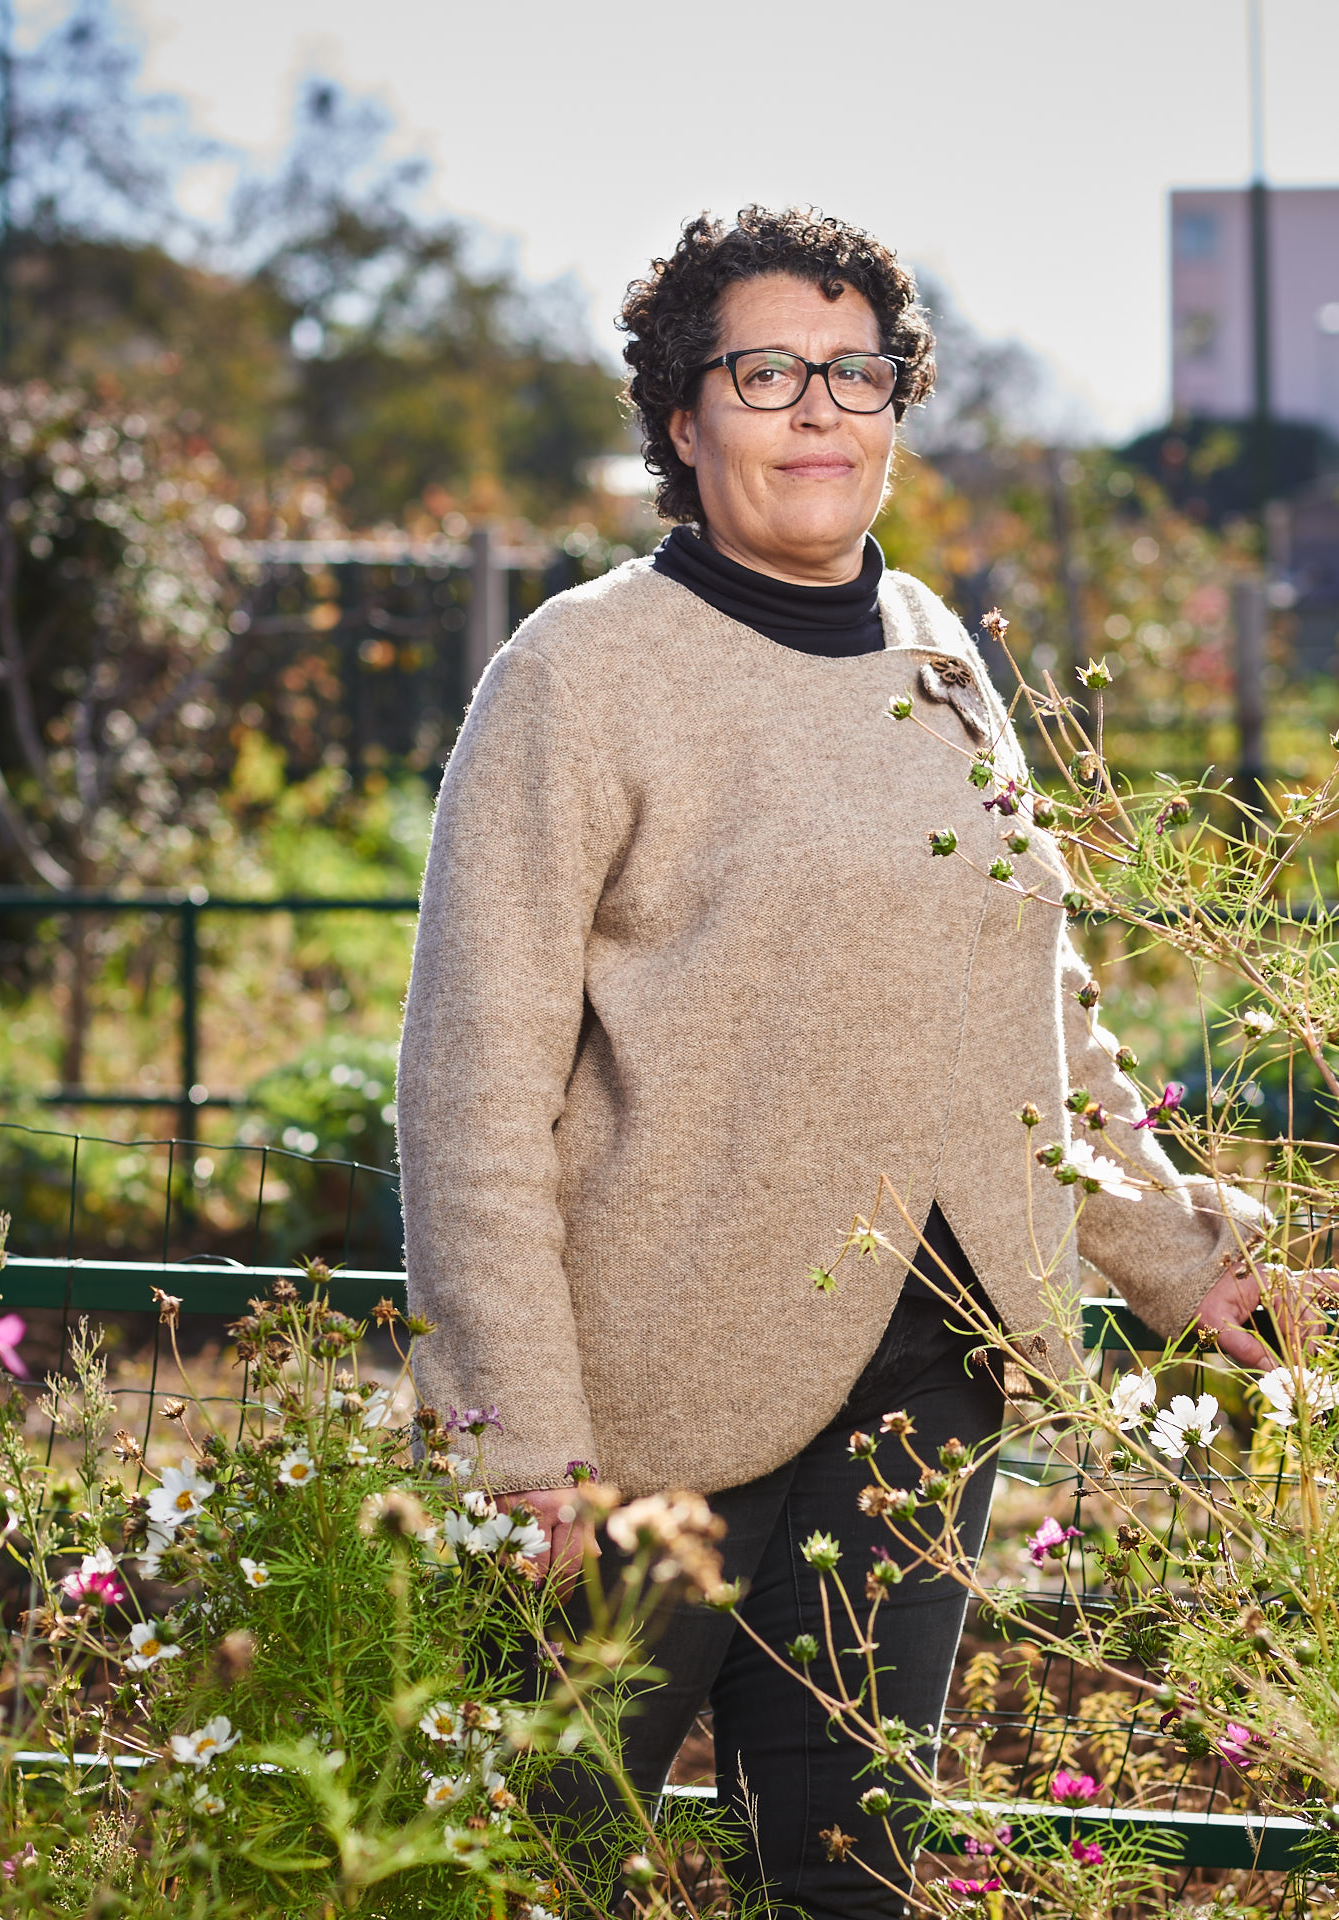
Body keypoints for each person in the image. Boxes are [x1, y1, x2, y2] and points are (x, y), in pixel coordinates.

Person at [396, 206, 1275, 1919]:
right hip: (642, 1403)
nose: (817, 409)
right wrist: (523, 1441)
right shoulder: (580, 672)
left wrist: (1178, 1250)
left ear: (894, 402)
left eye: (855, 371)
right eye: (766, 371)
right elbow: (471, 1089)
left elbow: (1034, 995)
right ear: (681, 417)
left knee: (851, 1873)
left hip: (924, 1380)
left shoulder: (937, 647)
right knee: (526, 1868)